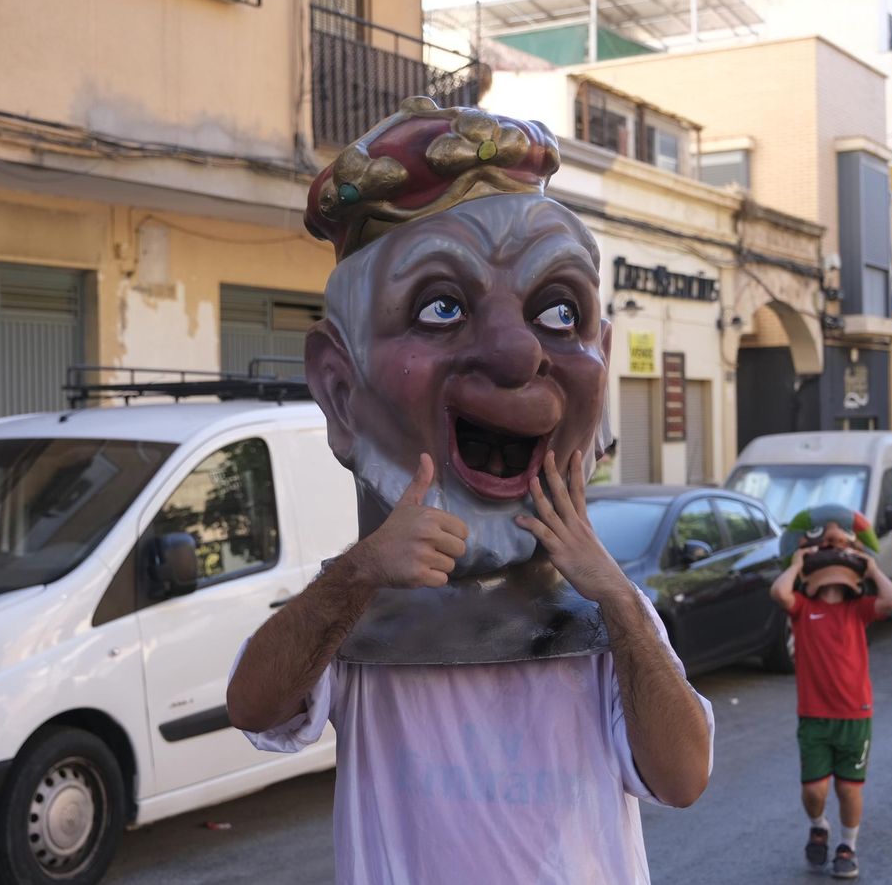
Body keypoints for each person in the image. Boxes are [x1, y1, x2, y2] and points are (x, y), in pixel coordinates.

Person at [225, 98, 714, 884]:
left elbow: (682, 777)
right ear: (341, 390)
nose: (518, 354)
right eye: (440, 307)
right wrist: (357, 573)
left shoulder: (610, 608)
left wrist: (618, 600)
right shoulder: (352, 606)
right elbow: (254, 704)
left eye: (559, 309)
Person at [769, 506, 892, 880]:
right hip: (814, 715)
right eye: (825, 540)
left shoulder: (858, 609)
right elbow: (779, 592)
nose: (832, 545)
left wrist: (872, 566)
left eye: (839, 540)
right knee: (814, 791)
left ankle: (848, 845)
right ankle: (818, 825)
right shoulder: (803, 608)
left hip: (855, 716)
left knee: (848, 789)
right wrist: (797, 562)